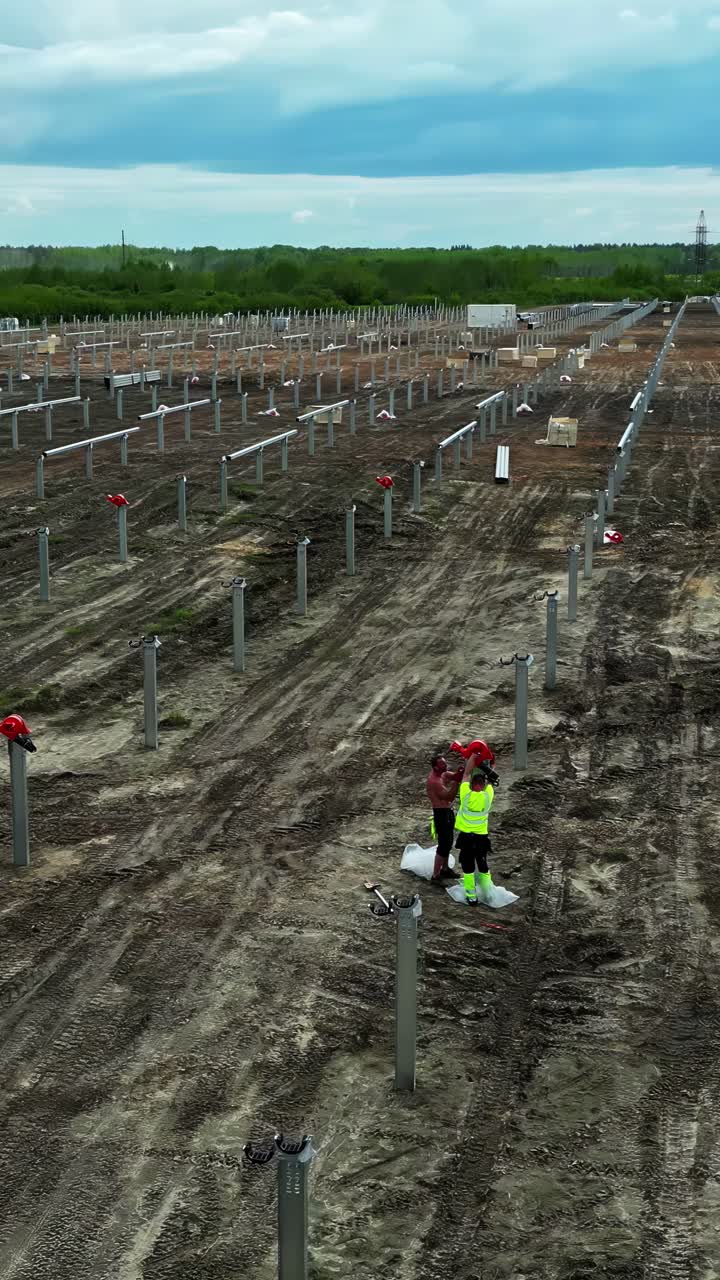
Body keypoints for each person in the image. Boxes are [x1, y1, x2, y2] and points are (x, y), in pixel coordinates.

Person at [454, 752, 495, 905]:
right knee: (483, 864)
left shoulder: (465, 795)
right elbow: (492, 781)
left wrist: (471, 757)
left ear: (472, 785)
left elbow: (466, 774)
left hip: (466, 838)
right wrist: (491, 765)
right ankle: (488, 893)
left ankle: (471, 897)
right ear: (483, 785)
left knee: (468, 867)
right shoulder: (487, 796)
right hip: (481, 838)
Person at [426, 753, 463, 884]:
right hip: (441, 814)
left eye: (444, 763)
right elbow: (449, 797)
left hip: (447, 812)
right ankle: (435, 876)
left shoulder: (442, 774)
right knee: (443, 845)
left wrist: (459, 773)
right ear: (435, 768)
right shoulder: (434, 781)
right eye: (442, 764)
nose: (445, 765)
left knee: (448, 842)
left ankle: (445, 869)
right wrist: (456, 783)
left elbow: (451, 775)